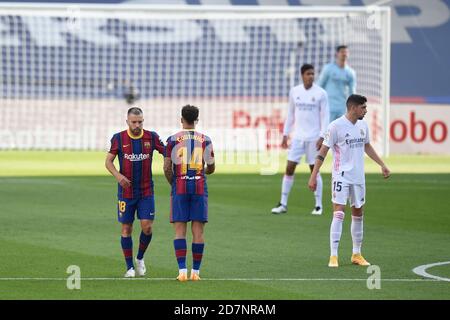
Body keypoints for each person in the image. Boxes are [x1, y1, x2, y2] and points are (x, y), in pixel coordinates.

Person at [308, 94, 390, 268]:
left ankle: (356, 254)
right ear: (353, 108)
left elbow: (367, 146)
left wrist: (382, 164)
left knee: (358, 214)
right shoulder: (335, 126)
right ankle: (333, 256)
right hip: (341, 175)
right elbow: (322, 152)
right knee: (339, 212)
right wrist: (313, 175)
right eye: (363, 107)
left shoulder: (363, 126)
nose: (366, 111)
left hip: (358, 177)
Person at [105, 107, 165, 278]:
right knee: (127, 228)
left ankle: (140, 258)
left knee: (147, 227)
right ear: (127, 121)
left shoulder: (151, 137)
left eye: (140, 122)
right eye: (134, 122)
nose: (137, 125)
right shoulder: (119, 138)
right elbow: (108, 161)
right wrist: (118, 176)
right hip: (126, 193)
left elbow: (167, 151)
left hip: (146, 190)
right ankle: (129, 267)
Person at [164, 105, 215, 282]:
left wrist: (175, 183)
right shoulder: (205, 139)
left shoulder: (172, 139)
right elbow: (212, 167)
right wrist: (203, 173)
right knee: (198, 233)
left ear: (181, 119)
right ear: (197, 120)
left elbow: (166, 167)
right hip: (199, 188)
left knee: (179, 232)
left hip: (180, 187)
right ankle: (196, 272)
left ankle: (182, 271)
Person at [271, 64, 329, 215]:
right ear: (302, 75)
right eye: (308, 74)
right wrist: (285, 134)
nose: (311, 76)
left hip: (314, 137)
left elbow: (325, 117)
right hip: (298, 137)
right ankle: (282, 203)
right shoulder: (295, 92)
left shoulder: (321, 93)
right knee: (289, 168)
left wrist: (322, 136)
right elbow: (290, 114)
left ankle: (318, 205)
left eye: (312, 74)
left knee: (314, 170)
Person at [317, 45, 356, 122]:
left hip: (342, 108)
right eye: (342, 52)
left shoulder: (350, 73)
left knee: (341, 132)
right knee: (328, 132)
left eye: (346, 52)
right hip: (329, 107)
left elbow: (352, 92)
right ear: (337, 54)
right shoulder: (328, 68)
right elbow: (320, 85)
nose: (344, 54)